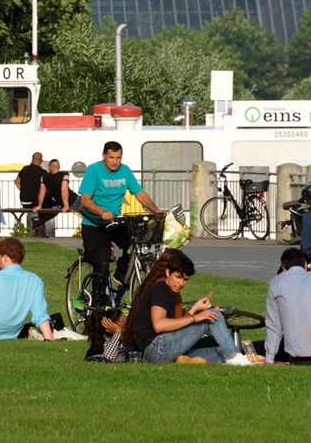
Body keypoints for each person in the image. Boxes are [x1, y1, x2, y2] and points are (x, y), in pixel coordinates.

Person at [121, 250, 256, 365]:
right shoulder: (161, 289)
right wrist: (195, 318)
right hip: (156, 348)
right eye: (178, 277)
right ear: (168, 272)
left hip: (157, 352)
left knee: (219, 352)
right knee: (213, 314)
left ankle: (235, 357)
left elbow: (176, 325)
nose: (181, 283)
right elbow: (159, 324)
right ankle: (234, 356)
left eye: (185, 280)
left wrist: (194, 310)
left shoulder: (167, 290)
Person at [75, 141, 159, 305]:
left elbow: (140, 194)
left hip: (115, 222)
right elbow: (85, 201)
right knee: (102, 264)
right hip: (94, 224)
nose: (115, 161)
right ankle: (98, 304)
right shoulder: (94, 170)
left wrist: (155, 210)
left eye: (118, 157)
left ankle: (120, 275)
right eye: (111, 157)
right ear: (104, 156)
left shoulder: (125, 171)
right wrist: (102, 212)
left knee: (135, 245)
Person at [14, 153, 48, 237]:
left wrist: (24, 190)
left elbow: (16, 182)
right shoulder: (42, 172)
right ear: (41, 161)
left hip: (24, 202)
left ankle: (38, 225)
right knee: (48, 203)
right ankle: (40, 224)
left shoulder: (24, 169)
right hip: (35, 203)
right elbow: (45, 189)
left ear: (32, 159)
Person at [37, 159, 71, 237]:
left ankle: (40, 223)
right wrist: (66, 205)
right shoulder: (64, 175)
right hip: (68, 200)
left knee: (54, 210)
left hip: (54, 202)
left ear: (50, 167)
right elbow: (64, 190)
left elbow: (42, 192)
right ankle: (40, 223)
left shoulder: (45, 177)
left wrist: (39, 205)